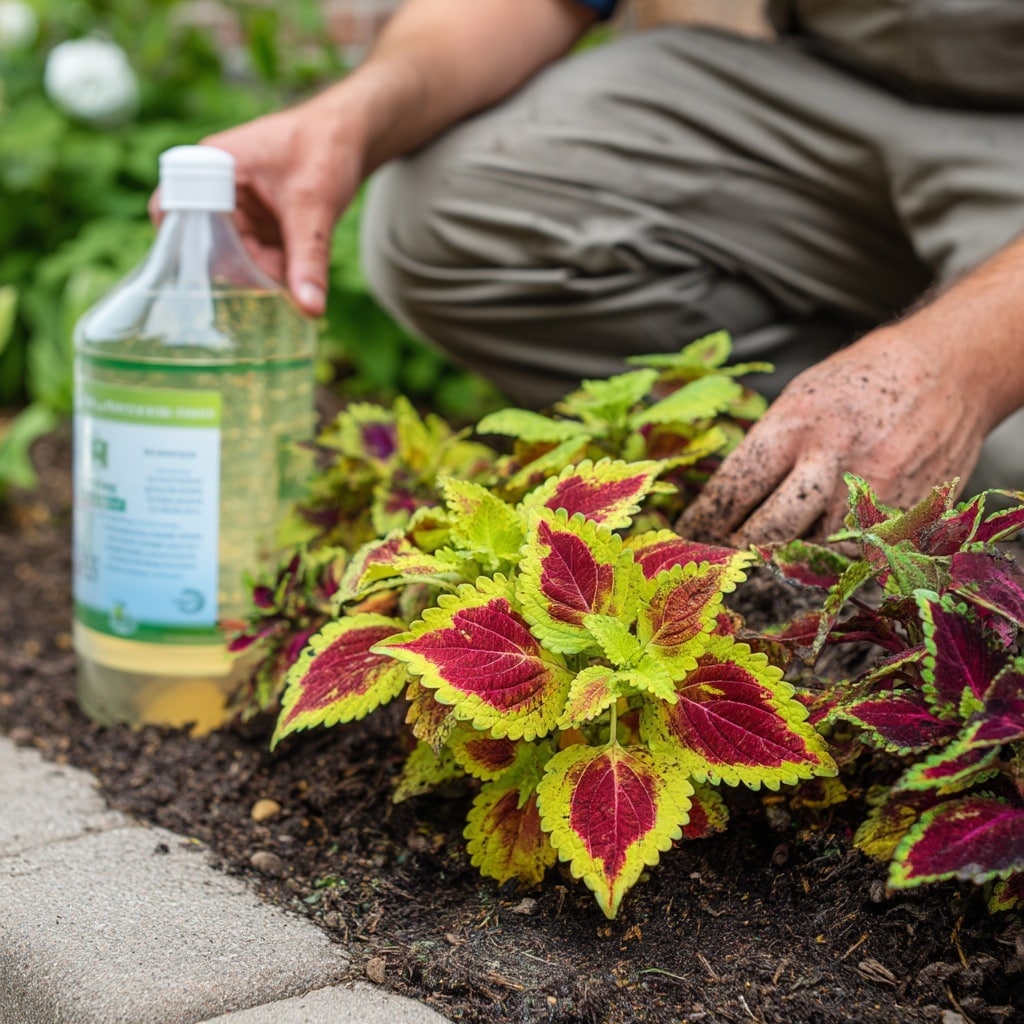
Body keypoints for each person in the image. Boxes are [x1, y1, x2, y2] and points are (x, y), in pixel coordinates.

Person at [197, 0, 1024, 544]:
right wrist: (352, 115)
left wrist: (957, 369)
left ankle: (935, 478)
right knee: (454, 206)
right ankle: (788, 491)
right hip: (838, 94)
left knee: (1003, 478)